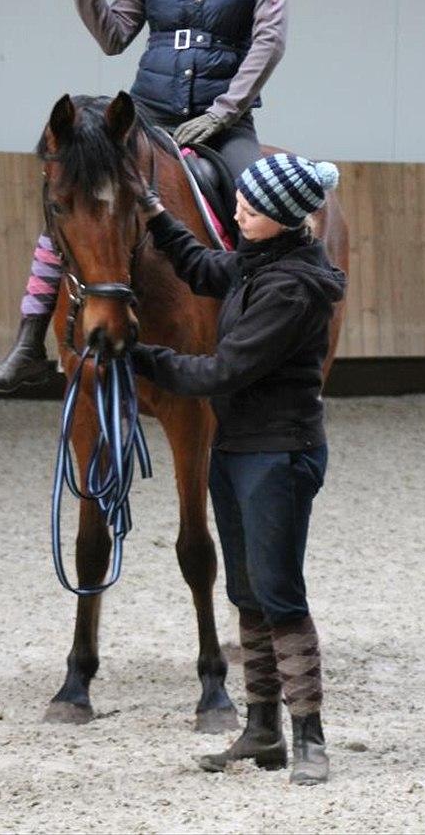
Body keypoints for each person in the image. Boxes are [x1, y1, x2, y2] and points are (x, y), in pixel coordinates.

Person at [0, 0, 289, 394]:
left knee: (257, 208)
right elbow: (115, 36)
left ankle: (258, 344)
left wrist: (222, 113)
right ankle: (27, 343)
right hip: (149, 114)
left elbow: (268, 41)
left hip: (225, 121)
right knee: (75, 201)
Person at [130, 154, 346, 785]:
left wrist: (140, 359)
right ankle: (261, 732)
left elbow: (222, 371)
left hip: (277, 455)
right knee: (245, 593)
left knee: (280, 595)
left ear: (279, 220)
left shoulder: (293, 288)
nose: (236, 212)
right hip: (238, 451)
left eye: (249, 208)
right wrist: (155, 214)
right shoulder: (261, 263)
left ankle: (310, 737)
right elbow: (200, 266)